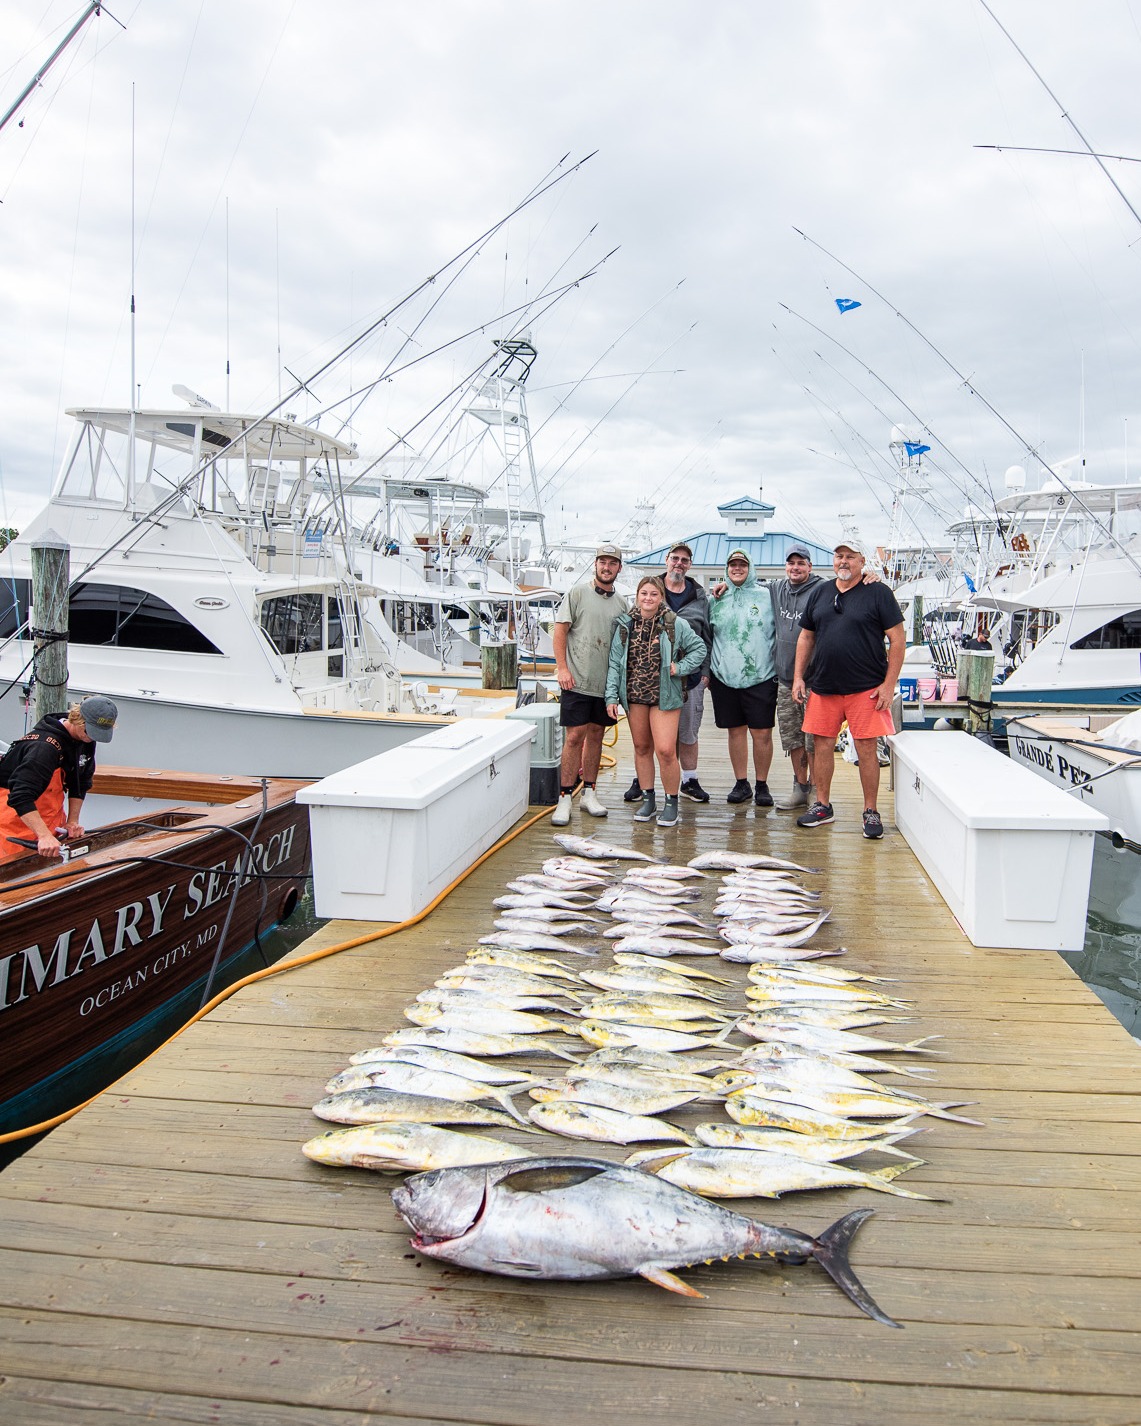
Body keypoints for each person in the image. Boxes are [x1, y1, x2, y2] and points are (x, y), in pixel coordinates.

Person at [792, 541, 905, 839]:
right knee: (821, 746)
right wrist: (798, 677)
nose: (844, 561)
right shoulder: (820, 592)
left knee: (867, 749)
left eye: (850, 557)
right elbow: (806, 637)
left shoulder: (878, 592)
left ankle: (871, 810)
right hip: (823, 686)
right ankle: (822, 805)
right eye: (839, 556)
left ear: (862, 562)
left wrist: (889, 685)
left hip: (867, 688)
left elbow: (897, 640)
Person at [605, 575, 705, 827]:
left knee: (665, 750)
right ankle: (648, 799)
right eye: (644, 593)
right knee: (641, 748)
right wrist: (611, 696)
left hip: (665, 695)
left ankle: (671, 803)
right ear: (637, 596)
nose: (648, 598)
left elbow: (699, 649)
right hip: (634, 695)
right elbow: (615, 663)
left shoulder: (674, 623)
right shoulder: (625, 625)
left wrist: (680, 667)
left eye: (653, 594)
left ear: (661, 597)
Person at [624, 542, 712, 805]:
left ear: (690, 564)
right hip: (649, 682)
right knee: (648, 739)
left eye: (684, 560)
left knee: (687, 733)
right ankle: (643, 781)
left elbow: (706, 637)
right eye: (675, 558)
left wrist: (704, 671)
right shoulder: (651, 590)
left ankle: (689, 780)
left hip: (690, 677)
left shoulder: (700, 597)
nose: (679, 563)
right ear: (667, 560)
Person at [551, 544, 628, 827]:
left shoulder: (623, 604)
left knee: (596, 736)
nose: (607, 567)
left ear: (619, 568)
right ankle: (565, 798)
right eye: (602, 562)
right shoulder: (577, 593)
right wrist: (562, 668)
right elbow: (560, 631)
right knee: (574, 737)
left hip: (605, 686)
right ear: (595, 564)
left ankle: (590, 794)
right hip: (576, 680)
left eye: (612, 563)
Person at [0, 695, 118, 862]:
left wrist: (72, 822)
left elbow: (81, 781)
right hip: (14, 827)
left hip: (51, 822)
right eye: (90, 732)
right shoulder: (44, 748)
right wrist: (44, 836)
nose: (91, 738)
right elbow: (20, 796)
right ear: (78, 719)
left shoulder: (85, 739)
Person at [707, 549, 778, 806]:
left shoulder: (768, 596)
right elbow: (707, 635)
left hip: (761, 675)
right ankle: (741, 783)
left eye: (742, 565)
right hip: (724, 676)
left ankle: (762, 784)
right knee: (735, 731)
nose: (737, 568)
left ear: (751, 568)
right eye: (733, 565)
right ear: (726, 569)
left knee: (762, 733)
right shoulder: (715, 599)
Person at [770, 545, 823, 811]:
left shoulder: (823, 589)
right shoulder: (777, 589)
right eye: (791, 563)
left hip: (815, 682)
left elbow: (850, 586)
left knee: (814, 740)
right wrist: (723, 586)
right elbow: (747, 585)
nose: (795, 567)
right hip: (785, 680)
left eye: (801, 563)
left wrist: (871, 576)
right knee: (793, 739)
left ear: (810, 566)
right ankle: (800, 788)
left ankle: (816, 791)